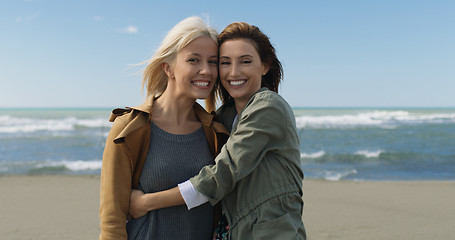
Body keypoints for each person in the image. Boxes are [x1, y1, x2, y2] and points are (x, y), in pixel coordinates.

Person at [129, 22, 306, 239]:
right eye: (224, 62)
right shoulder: (225, 116)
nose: (234, 72)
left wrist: (146, 202)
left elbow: (222, 174)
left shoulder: (269, 107)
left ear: (265, 66)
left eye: (245, 61)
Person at [99, 16, 229, 240]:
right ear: (168, 68)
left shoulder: (216, 132)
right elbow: (112, 220)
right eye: (194, 60)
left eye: (213, 62)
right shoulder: (130, 129)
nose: (206, 71)